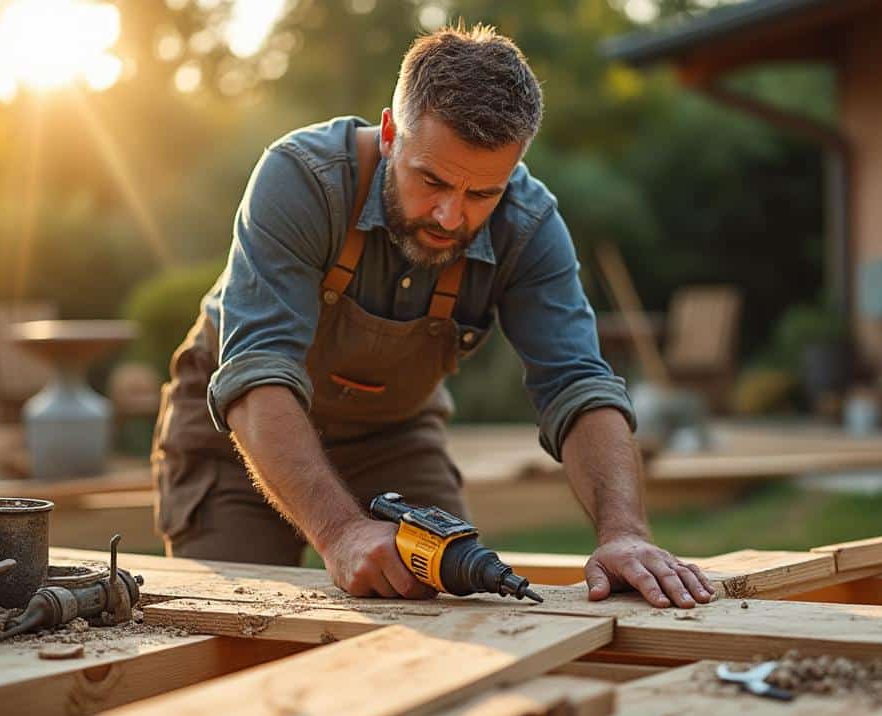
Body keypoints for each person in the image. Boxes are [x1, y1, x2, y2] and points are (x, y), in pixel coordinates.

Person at [152, 23, 714, 609]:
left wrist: (623, 532)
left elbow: (578, 385)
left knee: (449, 606)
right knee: (233, 618)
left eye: (482, 194)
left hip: (392, 438)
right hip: (237, 440)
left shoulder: (529, 226)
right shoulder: (302, 179)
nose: (450, 216)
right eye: (432, 180)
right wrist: (341, 532)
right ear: (390, 134)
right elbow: (257, 372)